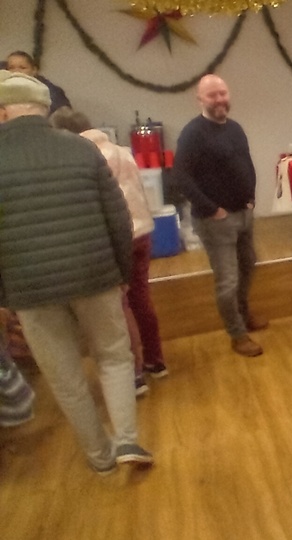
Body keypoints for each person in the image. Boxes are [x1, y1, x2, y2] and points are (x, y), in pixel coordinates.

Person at [0, 71, 153, 473]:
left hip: (30, 289)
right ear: (43, 109)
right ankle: (126, 440)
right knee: (114, 357)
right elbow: (118, 218)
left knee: (65, 378)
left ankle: (100, 458)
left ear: (2, 112)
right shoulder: (82, 148)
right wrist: (122, 272)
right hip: (95, 274)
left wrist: (5, 296)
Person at [50, 107, 169, 395]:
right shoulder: (122, 151)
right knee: (141, 298)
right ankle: (155, 361)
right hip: (142, 232)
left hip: (115, 238)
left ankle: (134, 374)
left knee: (119, 307)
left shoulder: (82, 158)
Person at [174, 74, 267, 357]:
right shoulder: (192, 133)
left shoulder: (235, 129)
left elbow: (246, 164)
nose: (219, 100)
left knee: (248, 266)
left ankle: (243, 315)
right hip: (215, 220)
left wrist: (250, 198)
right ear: (200, 99)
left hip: (243, 213)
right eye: (212, 95)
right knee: (227, 281)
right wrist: (212, 209)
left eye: (222, 93)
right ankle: (237, 335)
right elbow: (181, 177)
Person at [5, 51, 71, 114]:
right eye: (11, 68)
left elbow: (62, 118)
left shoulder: (52, 92)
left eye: (22, 68)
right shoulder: (4, 89)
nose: (16, 71)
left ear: (34, 70)